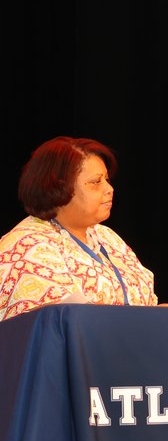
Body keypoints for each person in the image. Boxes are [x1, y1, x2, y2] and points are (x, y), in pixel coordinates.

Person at [0, 136, 159, 321]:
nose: (110, 189)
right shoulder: (26, 245)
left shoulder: (106, 237)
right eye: (96, 182)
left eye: (107, 179)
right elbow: (47, 327)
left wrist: (158, 315)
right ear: (58, 188)